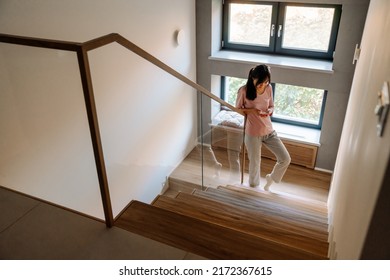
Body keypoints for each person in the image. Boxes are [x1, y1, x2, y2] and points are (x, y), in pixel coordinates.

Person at [235, 64, 291, 191]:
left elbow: (271, 105)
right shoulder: (243, 90)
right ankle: (254, 190)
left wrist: (269, 111)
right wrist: (252, 111)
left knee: (285, 158)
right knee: (255, 164)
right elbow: (238, 109)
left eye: (266, 82)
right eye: (260, 82)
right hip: (252, 133)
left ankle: (272, 178)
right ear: (252, 78)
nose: (263, 85)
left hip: (269, 130)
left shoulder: (269, 88)